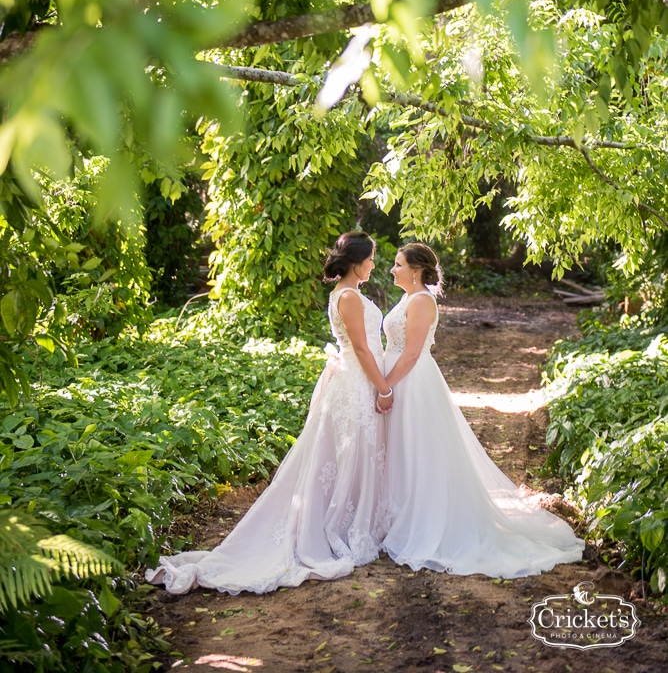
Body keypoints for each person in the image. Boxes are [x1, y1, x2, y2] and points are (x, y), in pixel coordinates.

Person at [146, 231, 391, 595]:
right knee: (346, 454)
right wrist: (384, 388)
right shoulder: (350, 297)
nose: (373, 264)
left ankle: (353, 521)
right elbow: (362, 348)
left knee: (345, 457)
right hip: (356, 383)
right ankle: (338, 528)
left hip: (352, 381)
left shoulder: (343, 293)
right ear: (356, 262)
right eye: (370, 258)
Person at [378, 242, 585, 578]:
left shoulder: (421, 301)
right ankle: (399, 517)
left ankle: (426, 524)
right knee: (403, 451)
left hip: (411, 382)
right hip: (399, 379)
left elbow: (413, 353)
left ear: (415, 270)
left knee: (419, 451)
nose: (393, 269)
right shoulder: (407, 298)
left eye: (398, 264)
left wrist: (385, 384)